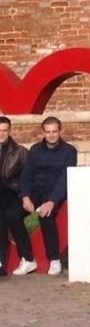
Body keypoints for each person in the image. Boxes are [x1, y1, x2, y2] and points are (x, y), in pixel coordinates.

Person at [8, 117, 77, 276]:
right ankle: (28, 259)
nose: (51, 135)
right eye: (48, 132)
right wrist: (25, 196)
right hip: (34, 191)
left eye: (54, 131)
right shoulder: (35, 150)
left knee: (45, 216)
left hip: (55, 192)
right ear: (43, 132)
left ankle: (54, 259)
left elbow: (65, 179)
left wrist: (52, 201)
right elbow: (26, 176)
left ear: (60, 131)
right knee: (12, 215)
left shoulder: (69, 151)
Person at [0, 117, 28, 275]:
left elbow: (25, 178)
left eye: (4, 130)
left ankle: (1, 264)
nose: (1, 134)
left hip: (10, 192)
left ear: (10, 131)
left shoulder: (20, 152)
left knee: (2, 218)